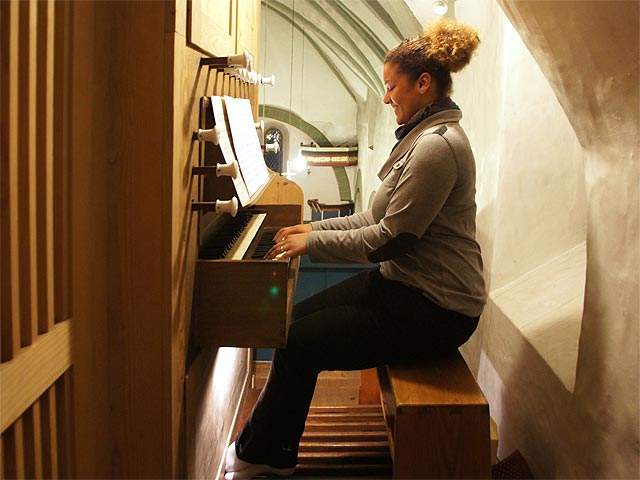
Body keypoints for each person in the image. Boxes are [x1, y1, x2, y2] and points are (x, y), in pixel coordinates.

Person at [224, 19, 485, 480]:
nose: (386, 98)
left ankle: (266, 456)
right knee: (293, 324)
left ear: (423, 84)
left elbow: (391, 239)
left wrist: (315, 241)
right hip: (403, 287)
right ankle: (264, 442)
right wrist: (311, 229)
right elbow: (373, 218)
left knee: (300, 345)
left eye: (392, 87)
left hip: (437, 308)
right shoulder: (422, 138)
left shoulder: (437, 147)